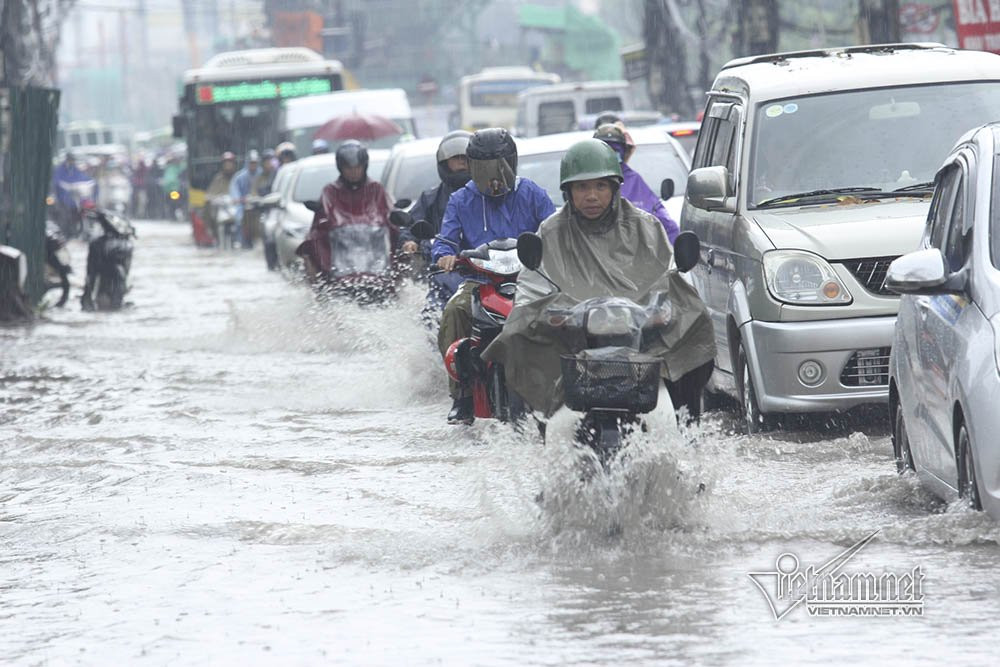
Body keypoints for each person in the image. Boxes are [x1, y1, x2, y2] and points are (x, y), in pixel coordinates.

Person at [483, 139, 716, 421]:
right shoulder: (551, 231)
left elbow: (667, 275)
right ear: (568, 191)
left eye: (600, 186)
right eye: (582, 187)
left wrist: (663, 308)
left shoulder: (645, 225)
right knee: (516, 336)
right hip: (573, 337)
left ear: (615, 188)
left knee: (696, 322)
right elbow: (533, 285)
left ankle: (688, 421)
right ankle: (531, 426)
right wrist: (542, 313)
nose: (591, 196)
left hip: (641, 332)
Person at [433, 127, 556, 424]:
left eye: (499, 167)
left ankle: (559, 386)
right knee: (454, 311)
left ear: (511, 163)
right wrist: (445, 256)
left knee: (560, 315)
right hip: (480, 282)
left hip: (531, 280)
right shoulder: (461, 200)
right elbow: (446, 240)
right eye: (484, 169)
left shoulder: (533, 193)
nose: (494, 177)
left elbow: (555, 230)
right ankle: (461, 395)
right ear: (473, 168)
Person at [295, 140, 396, 283]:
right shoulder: (330, 191)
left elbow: (390, 217)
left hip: (376, 260)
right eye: (349, 168)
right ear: (340, 168)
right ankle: (319, 290)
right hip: (339, 262)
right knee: (308, 248)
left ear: (364, 166)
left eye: (357, 167)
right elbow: (318, 225)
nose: (353, 172)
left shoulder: (376, 189)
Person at [399, 130, 472, 313]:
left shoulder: (487, 194)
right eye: (456, 158)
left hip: (484, 268)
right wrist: (410, 241)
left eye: (466, 157)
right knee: (433, 316)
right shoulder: (431, 198)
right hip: (445, 271)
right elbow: (410, 224)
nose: (462, 161)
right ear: (445, 164)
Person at [593, 123, 680, 243]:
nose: (611, 155)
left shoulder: (633, 180)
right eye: (606, 149)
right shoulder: (586, 179)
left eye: (615, 150)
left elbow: (665, 224)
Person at [51, 152, 96, 236]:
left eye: (72, 160)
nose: (71, 162)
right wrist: (63, 185)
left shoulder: (75, 169)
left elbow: (82, 177)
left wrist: (89, 182)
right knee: (65, 214)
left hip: (75, 197)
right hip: (62, 197)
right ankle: (65, 232)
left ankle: (78, 230)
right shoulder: (60, 169)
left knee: (81, 211)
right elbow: (57, 181)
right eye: (70, 160)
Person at [229, 149, 261, 248]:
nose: (253, 165)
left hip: (259, 205)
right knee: (239, 219)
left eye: (255, 163)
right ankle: (239, 239)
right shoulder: (239, 177)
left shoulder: (262, 175)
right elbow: (234, 190)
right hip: (242, 205)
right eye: (251, 163)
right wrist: (238, 199)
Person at [204, 151, 237, 243]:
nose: (228, 166)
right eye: (226, 164)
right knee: (208, 206)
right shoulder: (218, 178)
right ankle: (212, 230)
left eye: (230, 163)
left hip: (236, 206)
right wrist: (212, 198)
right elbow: (211, 192)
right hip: (222, 207)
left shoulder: (238, 178)